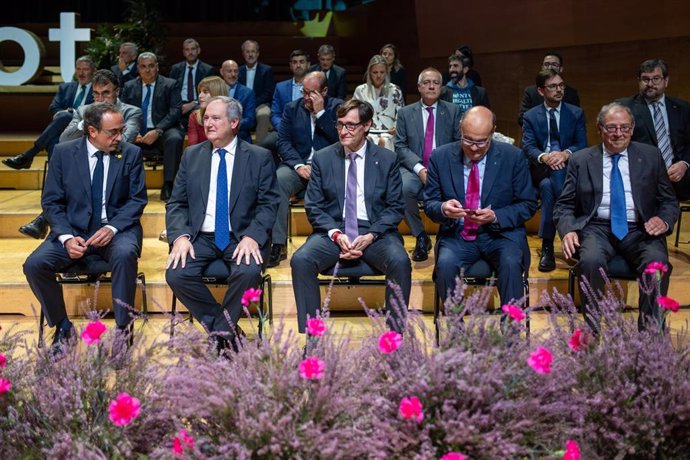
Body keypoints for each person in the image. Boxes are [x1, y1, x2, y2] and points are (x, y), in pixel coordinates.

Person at [23, 102, 148, 355]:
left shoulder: (131, 153)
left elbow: (137, 200)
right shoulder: (63, 152)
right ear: (92, 131)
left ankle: (123, 332)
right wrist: (67, 237)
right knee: (34, 265)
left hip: (116, 232)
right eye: (112, 132)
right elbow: (51, 202)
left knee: (125, 254)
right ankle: (63, 327)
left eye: (121, 130)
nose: (119, 137)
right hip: (73, 231)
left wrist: (112, 228)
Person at [165, 96, 279, 355]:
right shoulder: (191, 156)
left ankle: (221, 334)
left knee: (249, 273)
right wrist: (181, 237)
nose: (208, 123)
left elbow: (269, 204)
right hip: (200, 237)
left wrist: (253, 236)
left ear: (235, 122)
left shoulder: (259, 157)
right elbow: (177, 203)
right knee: (176, 274)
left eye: (216, 118)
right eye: (206, 118)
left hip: (241, 237)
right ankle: (226, 332)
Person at [554, 103, 678, 332]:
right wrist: (568, 229)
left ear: (632, 129)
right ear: (600, 128)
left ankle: (650, 338)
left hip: (641, 229)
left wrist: (663, 220)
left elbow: (669, 201)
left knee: (656, 265)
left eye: (624, 127)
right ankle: (592, 334)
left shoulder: (651, 156)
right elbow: (564, 205)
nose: (618, 133)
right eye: (611, 127)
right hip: (596, 228)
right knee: (590, 261)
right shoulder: (581, 160)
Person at [291, 99, 411, 333]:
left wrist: (372, 235)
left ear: (367, 126)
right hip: (334, 231)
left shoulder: (387, 159)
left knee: (400, 261)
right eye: (339, 125)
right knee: (301, 260)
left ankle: (395, 340)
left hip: (376, 232)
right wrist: (336, 234)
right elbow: (314, 206)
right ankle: (313, 338)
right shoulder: (323, 158)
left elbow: (395, 207)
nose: (343, 131)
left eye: (351, 125)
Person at [424, 106, 537, 307]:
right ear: (460, 129)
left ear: (493, 132)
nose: (474, 148)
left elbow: (528, 204)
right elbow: (430, 203)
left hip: (501, 235)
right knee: (445, 264)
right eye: (468, 140)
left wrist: (496, 216)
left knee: (511, 263)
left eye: (481, 142)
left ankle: (510, 334)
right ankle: (456, 334)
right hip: (457, 235)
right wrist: (443, 208)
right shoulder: (440, 157)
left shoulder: (513, 157)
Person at [18, 69, 144, 241]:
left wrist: (100, 126)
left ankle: (43, 219)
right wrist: (89, 121)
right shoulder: (84, 110)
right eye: (96, 94)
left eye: (106, 93)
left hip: (116, 163)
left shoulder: (131, 112)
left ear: (117, 92)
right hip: (84, 162)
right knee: (62, 155)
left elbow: (123, 142)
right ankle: (48, 217)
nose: (100, 99)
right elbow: (64, 139)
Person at [268, 71, 343, 267]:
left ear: (324, 91)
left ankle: (339, 242)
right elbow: (282, 141)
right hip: (298, 167)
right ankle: (277, 244)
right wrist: (299, 165)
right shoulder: (292, 108)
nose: (306, 98)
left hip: (329, 169)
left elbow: (342, 141)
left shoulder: (338, 108)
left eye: (312, 93)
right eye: (304, 92)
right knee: (278, 181)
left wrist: (320, 114)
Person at [521, 69, 587, 272]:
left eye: (561, 85)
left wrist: (565, 154)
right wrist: (546, 157)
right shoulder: (531, 116)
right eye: (553, 86)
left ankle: (547, 246)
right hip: (541, 168)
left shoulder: (575, 113)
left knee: (549, 187)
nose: (559, 90)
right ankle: (573, 231)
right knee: (553, 175)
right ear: (541, 91)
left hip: (567, 168)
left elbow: (582, 144)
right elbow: (528, 147)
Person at [395, 67, 461, 262]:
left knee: (456, 187)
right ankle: (421, 237)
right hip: (414, 168)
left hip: (444, 168)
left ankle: (448, 237)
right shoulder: (406, 113)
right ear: (419, 87)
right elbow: (400, 146)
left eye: (436, 83)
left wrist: (438, 169)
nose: (431, 86)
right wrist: (420, 168)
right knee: (403, 188)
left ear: (441, 87)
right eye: (427, 82)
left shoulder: (453, 111)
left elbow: (458, 144)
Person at [3, 55, 95, 170]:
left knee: (65, 116)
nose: (81, 73)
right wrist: (64, 114)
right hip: (62, 129)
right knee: (53, 142)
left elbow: (93, 111)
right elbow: (53, 107)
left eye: (85, 69)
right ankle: (55, 181)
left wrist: (71, 113)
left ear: (93, 71)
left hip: (83, 129)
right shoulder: (65, 88)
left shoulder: (97, 90)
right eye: (78, 69)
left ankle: (30, 154)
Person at [617, 59, 690, 200]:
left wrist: (684, 164)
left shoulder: (682, 108)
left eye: (656, 79)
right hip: (643, 178)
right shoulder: (625, 108)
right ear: (639, 81)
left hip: (679, 176)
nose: (650, 84)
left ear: (666, 81)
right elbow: (618, 144)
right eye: (645, 79)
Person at [120, 52, 184, 202]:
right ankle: (125, 188)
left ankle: (168, 185)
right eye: (143, 67)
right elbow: (121, 110)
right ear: (138, 69)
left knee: (174, 138)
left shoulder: (170, 84)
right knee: (118, 139)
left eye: (150, 66)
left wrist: (158, 130)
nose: (147, 70)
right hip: (136, 131)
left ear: (157, 67)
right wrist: (131, 131)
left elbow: (176, 110)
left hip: (163, 130)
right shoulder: (129, 86)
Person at [352, 54, 405, 151]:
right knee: (365, 141)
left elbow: (401, 114)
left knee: (384, 140)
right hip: (367, 131)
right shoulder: (361, 90)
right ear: (369, 73)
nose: (379, 76)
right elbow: (355, 113)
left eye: (382, 72)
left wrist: (396, 127)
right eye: (375, 72)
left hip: (389, 132)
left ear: (387, 72)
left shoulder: (395, 90)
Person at [518, 51, 581, 127]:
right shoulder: (530, 91)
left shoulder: (571, 93)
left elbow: (576, 120)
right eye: (546, 64)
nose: (550, 68)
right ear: (542, 68)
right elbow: (522, 119)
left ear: (561, 69)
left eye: (554, 64)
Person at [168, 38, 217, 128]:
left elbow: (211, 93)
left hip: (198, 104)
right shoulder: (176, 69)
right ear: (183, 52)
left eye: (193, 49)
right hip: (179, 105)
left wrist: (193, 104)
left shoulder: (208, 70)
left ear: (198, 50)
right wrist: (179, 105)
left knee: (200, 112)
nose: (190, 52)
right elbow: (170, 91)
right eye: (187, 50)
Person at [238, 40, 275, 144]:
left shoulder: (266, 70)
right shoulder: (238, 71)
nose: (250, 54)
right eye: (247, 51)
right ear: (243, 54)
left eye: (253, 51)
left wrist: (252, 104)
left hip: (260, 104)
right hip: (242, 104)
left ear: (258, 53)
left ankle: (260, 147)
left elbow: (268, 93)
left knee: (263, 114)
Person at [219, 60, 257, 143]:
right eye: (229, 71)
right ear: (222, 72)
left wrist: (230, 125)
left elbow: (250, 120)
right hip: (218, 136)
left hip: (240, 137)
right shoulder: (215, 91)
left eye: (235, 71)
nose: (233, 75)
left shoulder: (248, 93)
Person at [187, 76, 229, 146]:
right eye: (200, 92)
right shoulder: (194, 116)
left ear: (217, 93)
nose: (200, 96)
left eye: (205, 92)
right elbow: (192, 147)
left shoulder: (230, 115)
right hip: (201, 155)